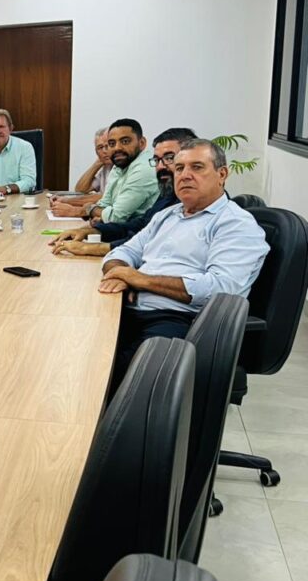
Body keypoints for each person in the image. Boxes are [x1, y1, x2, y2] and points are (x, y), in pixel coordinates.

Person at [99, 138, 269, 388]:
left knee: (111, 378)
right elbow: (123, 252)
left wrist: (140, 280)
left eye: (197, 167)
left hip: (178, 321)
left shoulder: (235, 224)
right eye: (179, 168)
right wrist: (119, 274)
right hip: (129, 308)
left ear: (222, 174)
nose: (185, 175)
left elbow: (221, 288)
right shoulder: (167, 215)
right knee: (73, 346)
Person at [50, 128, 197, 257]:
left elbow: (152, 244)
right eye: (157, 160)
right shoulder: (170, 194)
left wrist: (90, 248)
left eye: (169, 158)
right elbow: (141, 226)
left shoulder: (200, 205)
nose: (160, 167)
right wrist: (92, 231)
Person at [55, 118, 159, 222]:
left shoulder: (144, 168)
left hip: (139, 233)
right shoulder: (119, 165)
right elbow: (104, 204)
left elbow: (115, 217)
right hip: (121, 230)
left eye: (125, 141)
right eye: (112, 144)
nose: (117, 148)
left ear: (142, 143)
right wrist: (95, 212)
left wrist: (88, 209)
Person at [48, 128, 111, 214]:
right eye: (100, 148)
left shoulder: (120, 167)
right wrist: (97, 163)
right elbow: (81, 189)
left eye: (108, 146)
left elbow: (105, 198)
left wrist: (67, 201)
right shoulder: (105, 167)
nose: (104, 151)